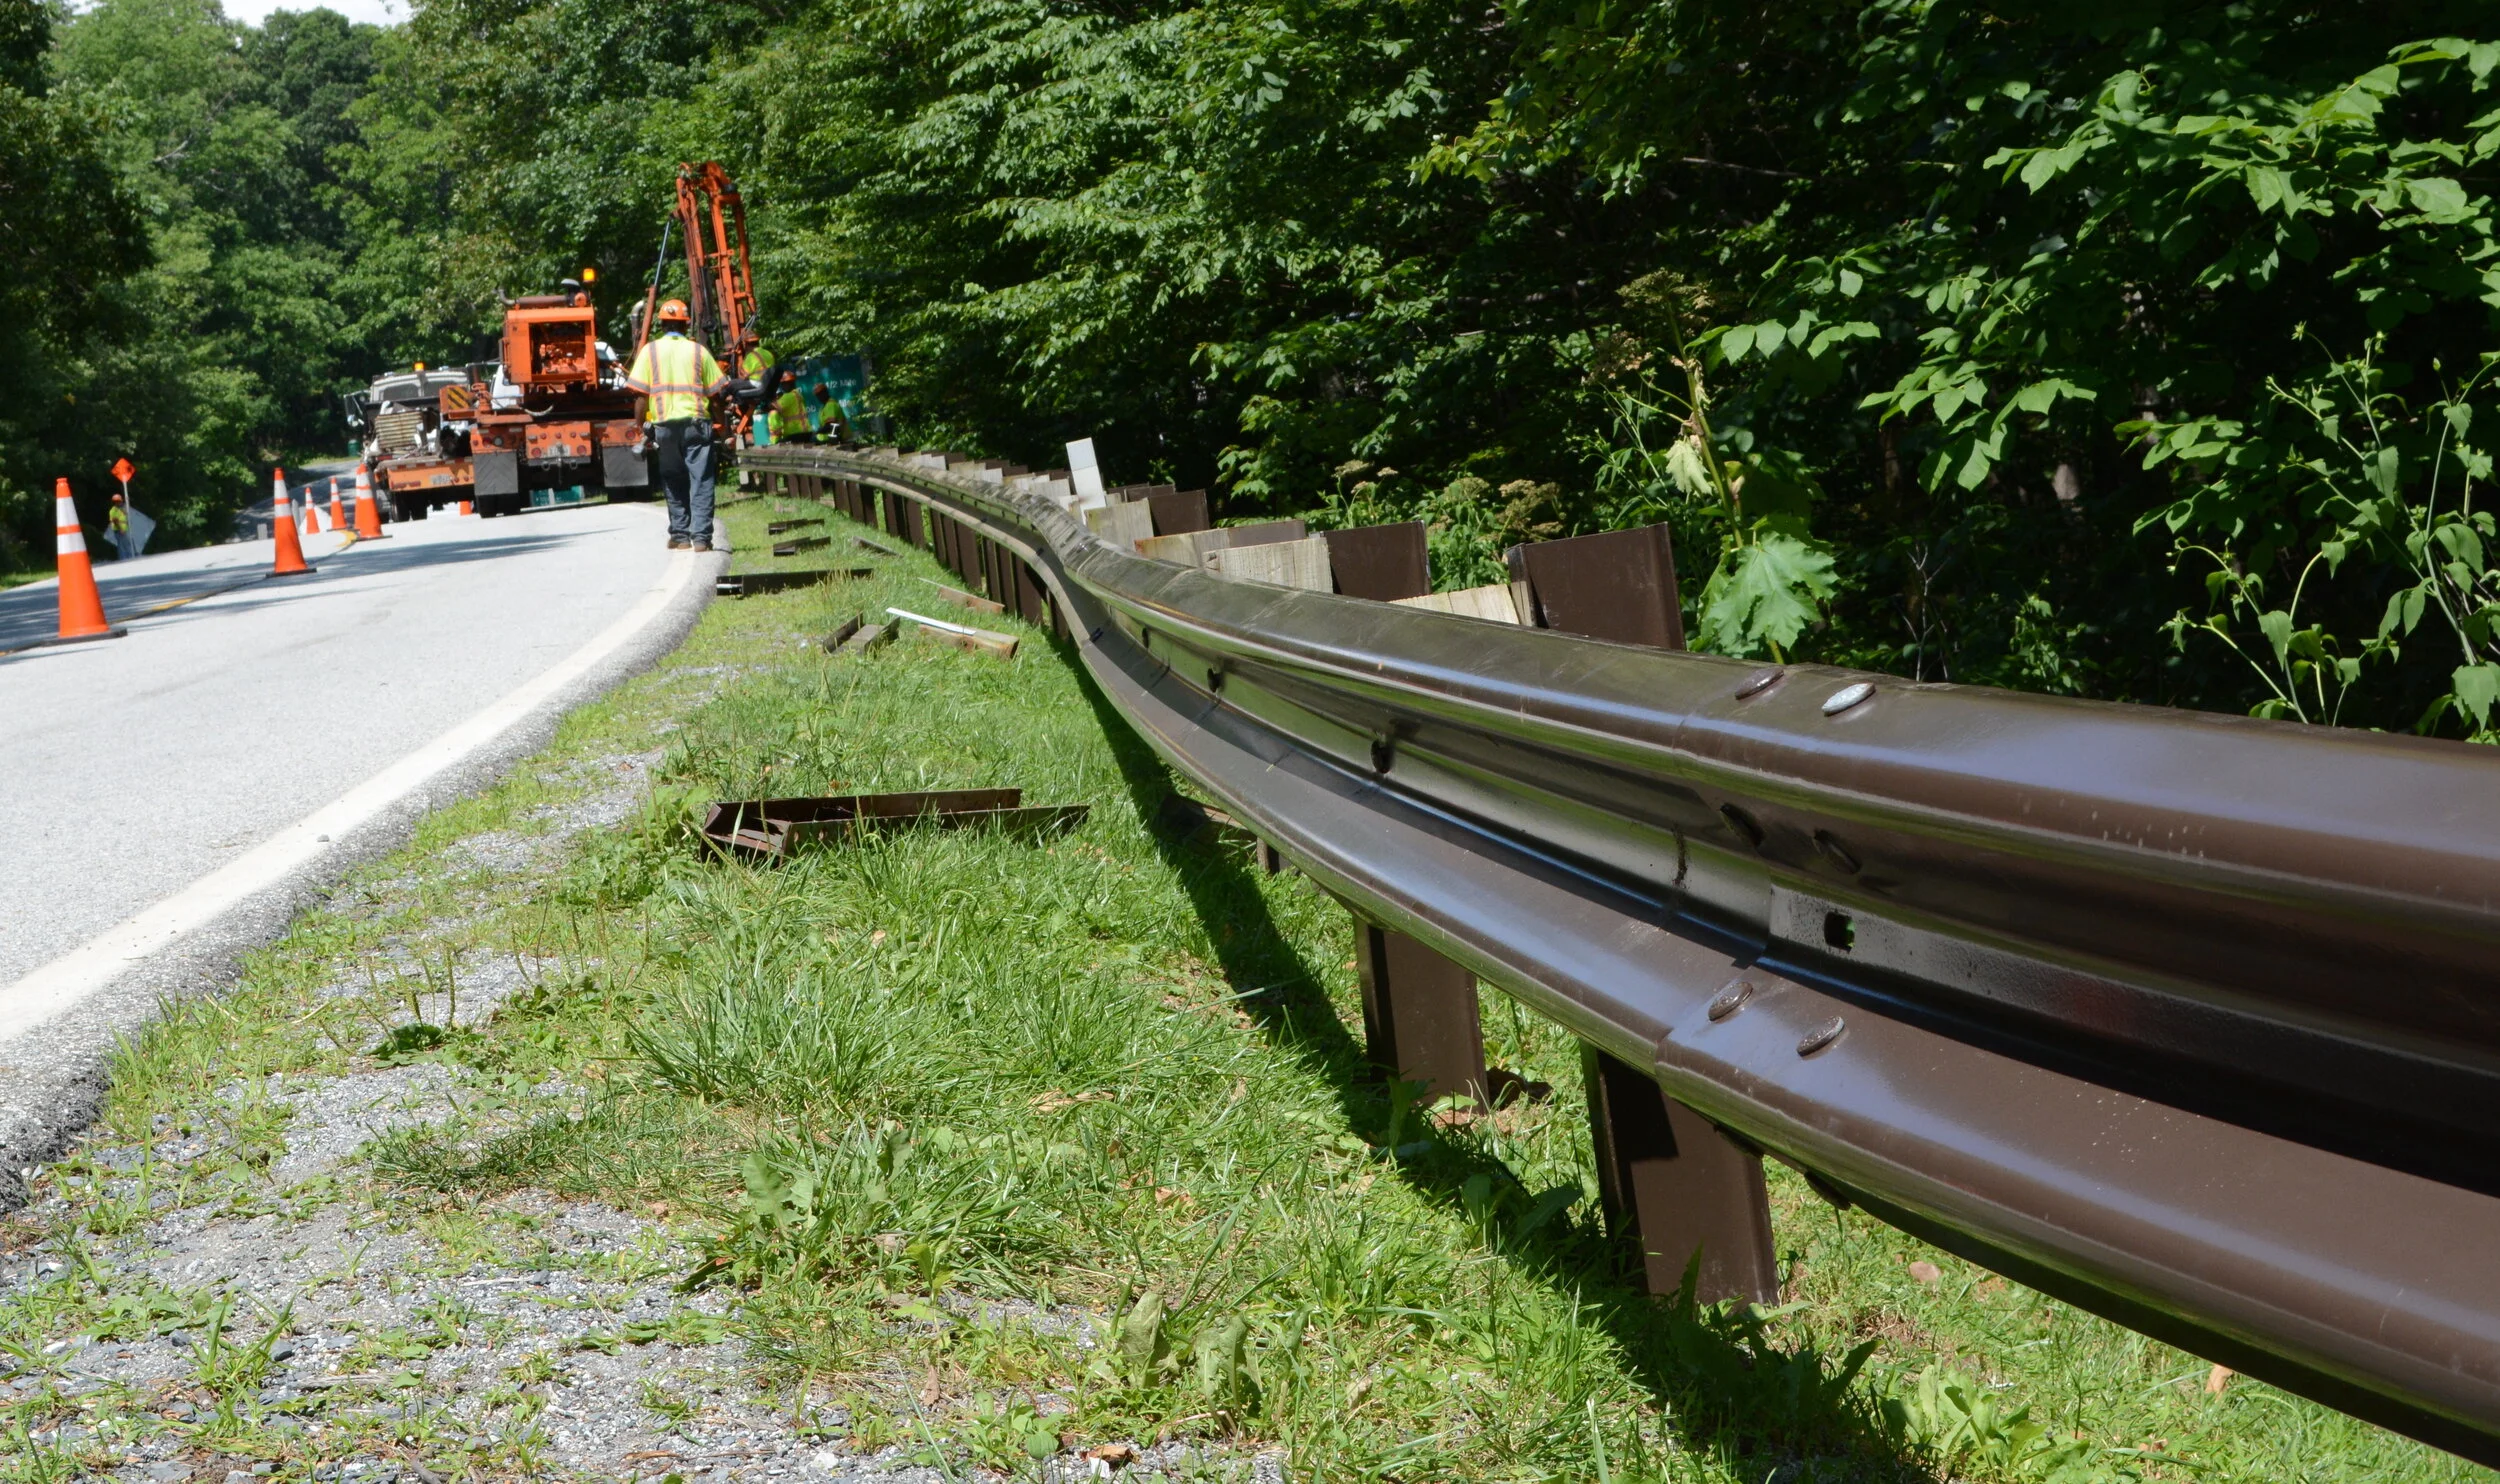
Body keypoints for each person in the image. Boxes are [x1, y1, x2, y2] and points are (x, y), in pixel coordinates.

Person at [622, 299, 730, 551]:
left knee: (672, 479)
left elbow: (640, 396)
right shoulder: (698, 351)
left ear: (661, 324)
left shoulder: (649, 351)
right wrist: (723, 429)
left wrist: (643, 428)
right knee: (700, 479)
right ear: (686, 325)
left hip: (664, 427)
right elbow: (716, 396)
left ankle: (681, 536)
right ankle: (701, 538)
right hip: (695, 424)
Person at [107, 492, 133, 560]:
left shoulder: (120, 509)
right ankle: (124, 559)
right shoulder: (113, 510)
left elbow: (126, 512)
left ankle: (128, 558)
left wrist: (127, 500)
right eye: (120, 501)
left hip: (123, 530)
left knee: (126, 544)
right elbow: (115, 521)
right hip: (118, 530)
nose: (121, 502)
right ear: (116, 502)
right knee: (122, 545)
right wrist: (121, 529)